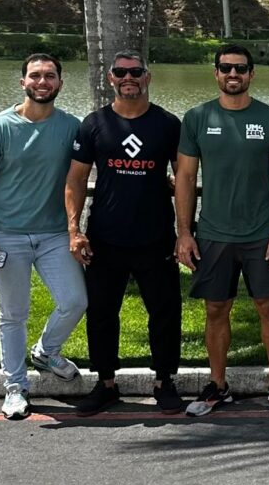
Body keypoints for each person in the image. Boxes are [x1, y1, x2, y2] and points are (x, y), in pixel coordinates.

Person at [174, 44, 269, 416]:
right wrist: (184, 231)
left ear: (251, 74)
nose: (233, 74)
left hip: (262, 233)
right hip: (213, 233)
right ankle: (217, 385)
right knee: (216, 309)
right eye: (226, 68)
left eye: (240, 69)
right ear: (215, 73)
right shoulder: (196, 118)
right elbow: (185, 176)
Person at [66, 51, 184, 416]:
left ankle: (165, 381)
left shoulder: (167, 124)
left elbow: (184, 178)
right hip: (105, 236)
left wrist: (185, 231)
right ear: (110, 79)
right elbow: (75, 179)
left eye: (136, 72)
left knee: (164, 312)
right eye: (121, 72)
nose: (128, 77)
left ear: (147, 77)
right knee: (102, 312)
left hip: (156, 236)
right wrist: (74, 229)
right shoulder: (94, 124)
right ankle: (106, 384)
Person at [0, 53, 87, 421]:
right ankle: (15, 388)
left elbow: (90, 171)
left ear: (60, 83)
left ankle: (47, 351)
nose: (42, 82)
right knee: (13, 314)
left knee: (75, 300)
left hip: (55, 235)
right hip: (5, 234)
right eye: (35, 76)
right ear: (23, 82)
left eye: (49, 76)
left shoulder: (73, 128)